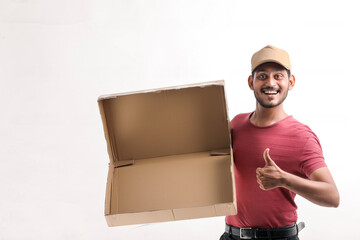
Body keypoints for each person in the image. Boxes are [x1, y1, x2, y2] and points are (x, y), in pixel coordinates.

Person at [219, 45, 339, 240]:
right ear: (251, 82)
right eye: (262, 76)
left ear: (290, 82)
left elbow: (332, 196)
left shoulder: (302, 136)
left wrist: (284, 179)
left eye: (278, 76)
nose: (270, 82)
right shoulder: (236, 125)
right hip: (231, 235)